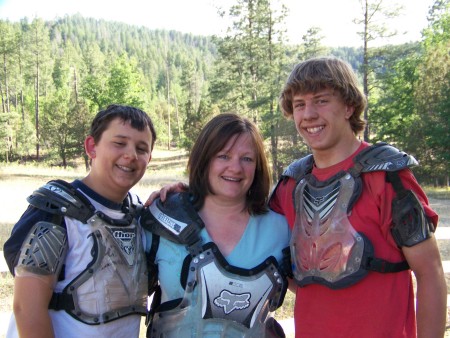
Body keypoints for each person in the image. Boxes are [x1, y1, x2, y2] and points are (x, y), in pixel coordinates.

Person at [269, 56, 447, 337]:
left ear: (349, 106)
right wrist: (178, 196)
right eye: (299, 104)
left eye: (321, 100)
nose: (309, 114)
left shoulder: (388, 177)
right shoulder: (290, 185)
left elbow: (430, 274)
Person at [3, 104, 157, 338]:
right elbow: (27, 308)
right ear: (91, 147)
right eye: (119, 143)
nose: (131, 155)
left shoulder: (139, 217)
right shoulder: (55, 211)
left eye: (142, 148)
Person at [140, 113, 291, 337]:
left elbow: (319, 293)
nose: (235, 167)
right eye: (223, 156)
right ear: (205, 159)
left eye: (247, 159)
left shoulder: (281, 229)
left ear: (257, 167)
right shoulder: (164, 218)